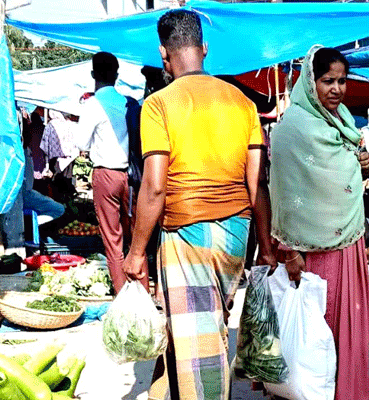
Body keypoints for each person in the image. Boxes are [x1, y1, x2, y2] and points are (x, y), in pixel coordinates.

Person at [122, 9, 276, 400]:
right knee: (205, 329)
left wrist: (136, 251)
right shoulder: (241, 103)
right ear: (204, 48)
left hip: (187, 234)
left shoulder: (159, 105)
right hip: (235, 237)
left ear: (164, 55)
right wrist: (267, 247)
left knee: (199, 346)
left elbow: (155, 187)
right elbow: (258, 183)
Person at [269, 45, 369, 400]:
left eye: (342, 81)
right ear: (310, 81)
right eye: (328, 80)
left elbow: (343, 175)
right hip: (309, 255)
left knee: (342, 336)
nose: (337, 89)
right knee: (312, 339)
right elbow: (283, 193)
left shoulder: (344, 122)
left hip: (348, 249)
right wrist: (288, 252)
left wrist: (361, 162)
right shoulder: (292, 129)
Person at [76, 52, 144, 293]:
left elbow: (81, 142)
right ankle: (142, 293)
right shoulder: (130, 103)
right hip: (132, 178)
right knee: (136, 239)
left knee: (113, 240)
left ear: (94, 75)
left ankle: (123, 296)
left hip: (106, 175)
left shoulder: (93, 105)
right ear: (117, 76)